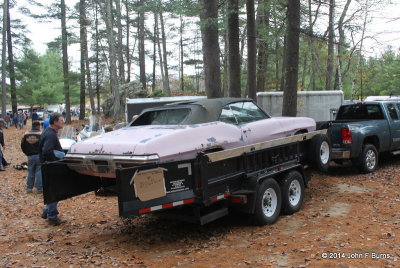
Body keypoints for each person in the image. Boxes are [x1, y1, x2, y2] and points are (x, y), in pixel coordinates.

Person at [39, 113, 65, 226]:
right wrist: (57, 160)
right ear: (54, 122)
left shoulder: (48, 132)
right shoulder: (50, 135)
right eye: (60, 120)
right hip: (50, 167)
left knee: (53, 190)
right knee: (54, 192)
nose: (62, 122)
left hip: (47, 166)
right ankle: (52, 216)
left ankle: (47, 210)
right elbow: (47, 151)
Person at [21, 121, 42, 194]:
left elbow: (22, 145)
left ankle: (29, 188)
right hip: (39, 155)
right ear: (38, 126)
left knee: (30, 172)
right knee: (39, 172)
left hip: (30, 156)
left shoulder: (26, 134)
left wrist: (27, 153)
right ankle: (39, 188)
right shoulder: (41, 134)